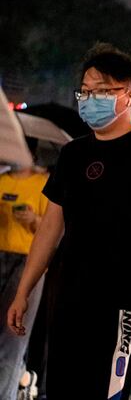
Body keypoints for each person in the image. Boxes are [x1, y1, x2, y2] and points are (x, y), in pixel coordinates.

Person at [7, 44, 131, 400]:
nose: (91, 99)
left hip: (122, 302)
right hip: (68, 295)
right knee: (63, 388)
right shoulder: (73, 154)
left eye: (103, 91)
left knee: (107, 393)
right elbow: (49, 230)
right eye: (86, 91)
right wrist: (23, 291)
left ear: (129, 96)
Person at [0, 146, 48, 398]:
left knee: (12, 337)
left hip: (29, 262)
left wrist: (33, 221)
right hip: (1, 255)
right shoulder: (1, 180)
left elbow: (54, 229)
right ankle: (23, 378)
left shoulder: (44, 183)